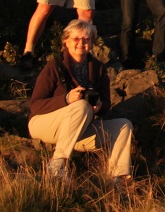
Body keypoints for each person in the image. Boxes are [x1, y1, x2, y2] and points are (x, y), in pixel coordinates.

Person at [28, 19, 133, 185]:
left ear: (91, 42)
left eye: (86, 39)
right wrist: (65, 99)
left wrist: (99, 108)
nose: (81, 43)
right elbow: (35, 105)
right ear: (66, 41)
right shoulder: (55, 66)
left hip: (78, 128)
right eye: (76, 39)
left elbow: (106, 103)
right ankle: (57, 165)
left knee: (123, 125)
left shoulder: (98, 68)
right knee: (81, 106)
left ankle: (116, 179)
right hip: (44, 124)